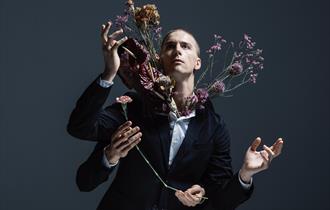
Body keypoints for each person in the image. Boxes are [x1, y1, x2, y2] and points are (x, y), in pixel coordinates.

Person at [67, 21, 284, 210]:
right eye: (170, 46)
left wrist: (245, 174)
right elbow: (80, 133)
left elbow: (220, 200)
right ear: (160, 60)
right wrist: (109, 74)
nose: (177, 50)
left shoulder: (213, 126)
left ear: (197, 62)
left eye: (185, 46)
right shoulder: (133, 107)